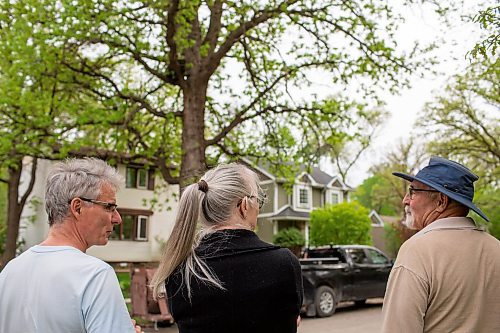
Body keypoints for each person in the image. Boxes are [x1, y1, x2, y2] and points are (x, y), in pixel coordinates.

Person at [151, 163, 303, 333]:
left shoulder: (179, 270)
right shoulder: (284, 263)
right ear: (244, 205)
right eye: (257, 200)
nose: (258, 207)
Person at [0, 158, 142, 333]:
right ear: (78, 207)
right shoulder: (94, 275)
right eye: (109, 207)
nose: (118, 218)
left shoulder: (10, 271)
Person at [381, 156, 500, 332]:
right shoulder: (496, 248)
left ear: (441, 202)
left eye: (413, 191)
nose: (405, 200)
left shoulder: (417, 251)